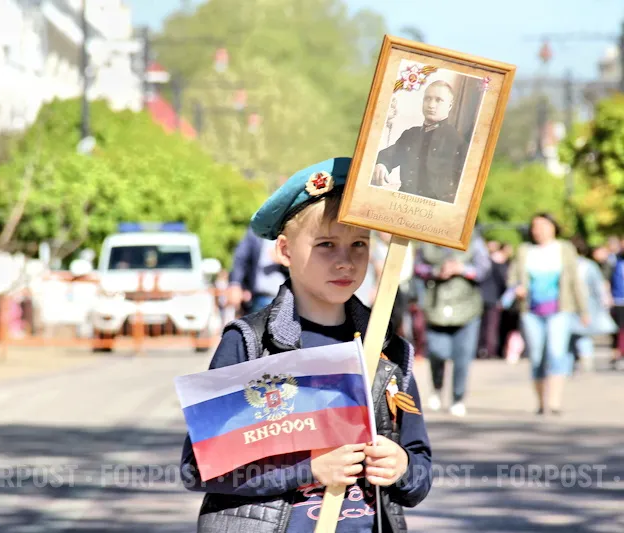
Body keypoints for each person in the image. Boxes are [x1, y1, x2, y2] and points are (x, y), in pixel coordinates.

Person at [180, 157, 432, 533]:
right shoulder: (250, 342)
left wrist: (402, 468)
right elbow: (200, 466)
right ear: (284, 251)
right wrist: (308, 471)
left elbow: (419, 466)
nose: (345, 261)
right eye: (326, 244)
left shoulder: (387, 350)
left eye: (359, 244)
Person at [507, 213, 589, 415]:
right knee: (536, 356)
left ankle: (554, 402)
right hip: (531, 311)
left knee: (556, 353)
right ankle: (540, 402)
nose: (539, 230)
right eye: (535, 226)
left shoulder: (565, 249)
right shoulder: (524, 250)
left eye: (543, 225)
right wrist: (517, 288)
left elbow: (575, 281)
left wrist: (583, 309)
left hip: (559, 310)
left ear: (553, 227)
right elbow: (512, 278)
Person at [414, 231, 491, 417]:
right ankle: (437, 387)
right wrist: (436, 271)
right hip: (436, 307)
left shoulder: (474, 239)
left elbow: (484, 269)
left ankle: (458, 398)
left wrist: (462, 269)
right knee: (437, 352)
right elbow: (417, 267)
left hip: (467, 308)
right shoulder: (427, 238)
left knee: (463, 356)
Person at [372, 80, 468, 203]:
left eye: (438, 100)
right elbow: (389, 155)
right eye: (427, 99)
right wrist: (382, 164)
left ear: (449, 105)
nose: (431, 105)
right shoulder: (410, 134)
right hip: (401, 202)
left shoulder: (457, 143)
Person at [569, 236, 617, 372]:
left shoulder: (583, 266)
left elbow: (597, 287)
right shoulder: (587, 265)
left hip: (581, 305)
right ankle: (582, 361)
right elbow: (598, 287)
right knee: (581, 334)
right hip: (582, 304)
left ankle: (579, 360)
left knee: (578, 334)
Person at [228, 226, 288, 315]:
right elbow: (240, 258)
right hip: (259, 298)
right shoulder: (256, 230)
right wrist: (235, 284)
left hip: (287, 298)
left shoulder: (292, 228)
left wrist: (286, 259)